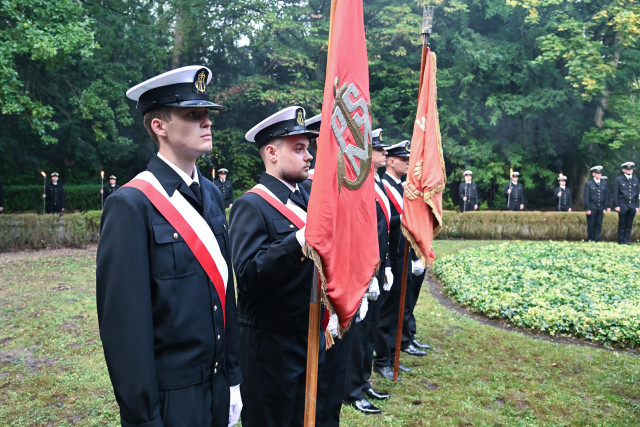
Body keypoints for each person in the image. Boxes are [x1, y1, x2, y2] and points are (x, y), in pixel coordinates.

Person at [96, 65, 242, 427]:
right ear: (159, 126)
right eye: (193, 115)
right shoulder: (131, 204)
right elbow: (125, 328)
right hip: (171, 396)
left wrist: (234, 377)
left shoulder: (210, 193)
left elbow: (226, 291)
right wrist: (144, 416)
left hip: (217, 382)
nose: (207, 122)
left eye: (207, 114)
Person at [229, 106, 324, 427]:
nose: (308, 156)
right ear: (271, 152)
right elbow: (247, 275)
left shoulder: (307, 196)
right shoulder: (250, 204)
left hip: (309, 331)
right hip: (271, 344)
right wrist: (297, 241)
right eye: (298, 149)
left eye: (308, 148)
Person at [342, 128, 392, 415]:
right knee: (358, 334)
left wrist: (382, 268)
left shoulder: (374, 183)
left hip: (373, 269)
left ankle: (362, 380)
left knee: (369, 330)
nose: (383, 153)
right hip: (358, 272)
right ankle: (352, 389)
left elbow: (379, 230)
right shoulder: (355, 182)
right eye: (378, 148)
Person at [374, 140, 421, 381]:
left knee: (397, 307)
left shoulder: (396, 187)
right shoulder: (382, 185)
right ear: (391, 161)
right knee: (387, 310)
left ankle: (392, 354)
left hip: (400, 254)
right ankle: (383, 358)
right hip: (390, 256)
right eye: (404, 160)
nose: (408, 164)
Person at [613, 162, 639, 245]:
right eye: (627, 169)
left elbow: (637, 194)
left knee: (629, 224)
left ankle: (626, 240)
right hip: (622, 204)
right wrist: (616, 205)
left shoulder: (635, 179)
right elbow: (615, 193)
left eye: (630, 169)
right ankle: (620, 240)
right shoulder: (619, 179)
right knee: (622, 223)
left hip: (632, 205)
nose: (629, 170)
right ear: (623, 170)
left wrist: (637, 206)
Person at [583, 165, 610, 242]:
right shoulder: (589, 184)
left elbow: (606, 196)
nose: (599, 175)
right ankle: (590, 239)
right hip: (592, 206)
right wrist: (587, 208)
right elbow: (586, 197)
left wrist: (606, 207)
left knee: (599, 224)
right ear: (593, 174)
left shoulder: (604, 184)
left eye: (600, 173)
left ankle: (597, 239)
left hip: (601, 207)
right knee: (591, 224)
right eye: (597, 173)